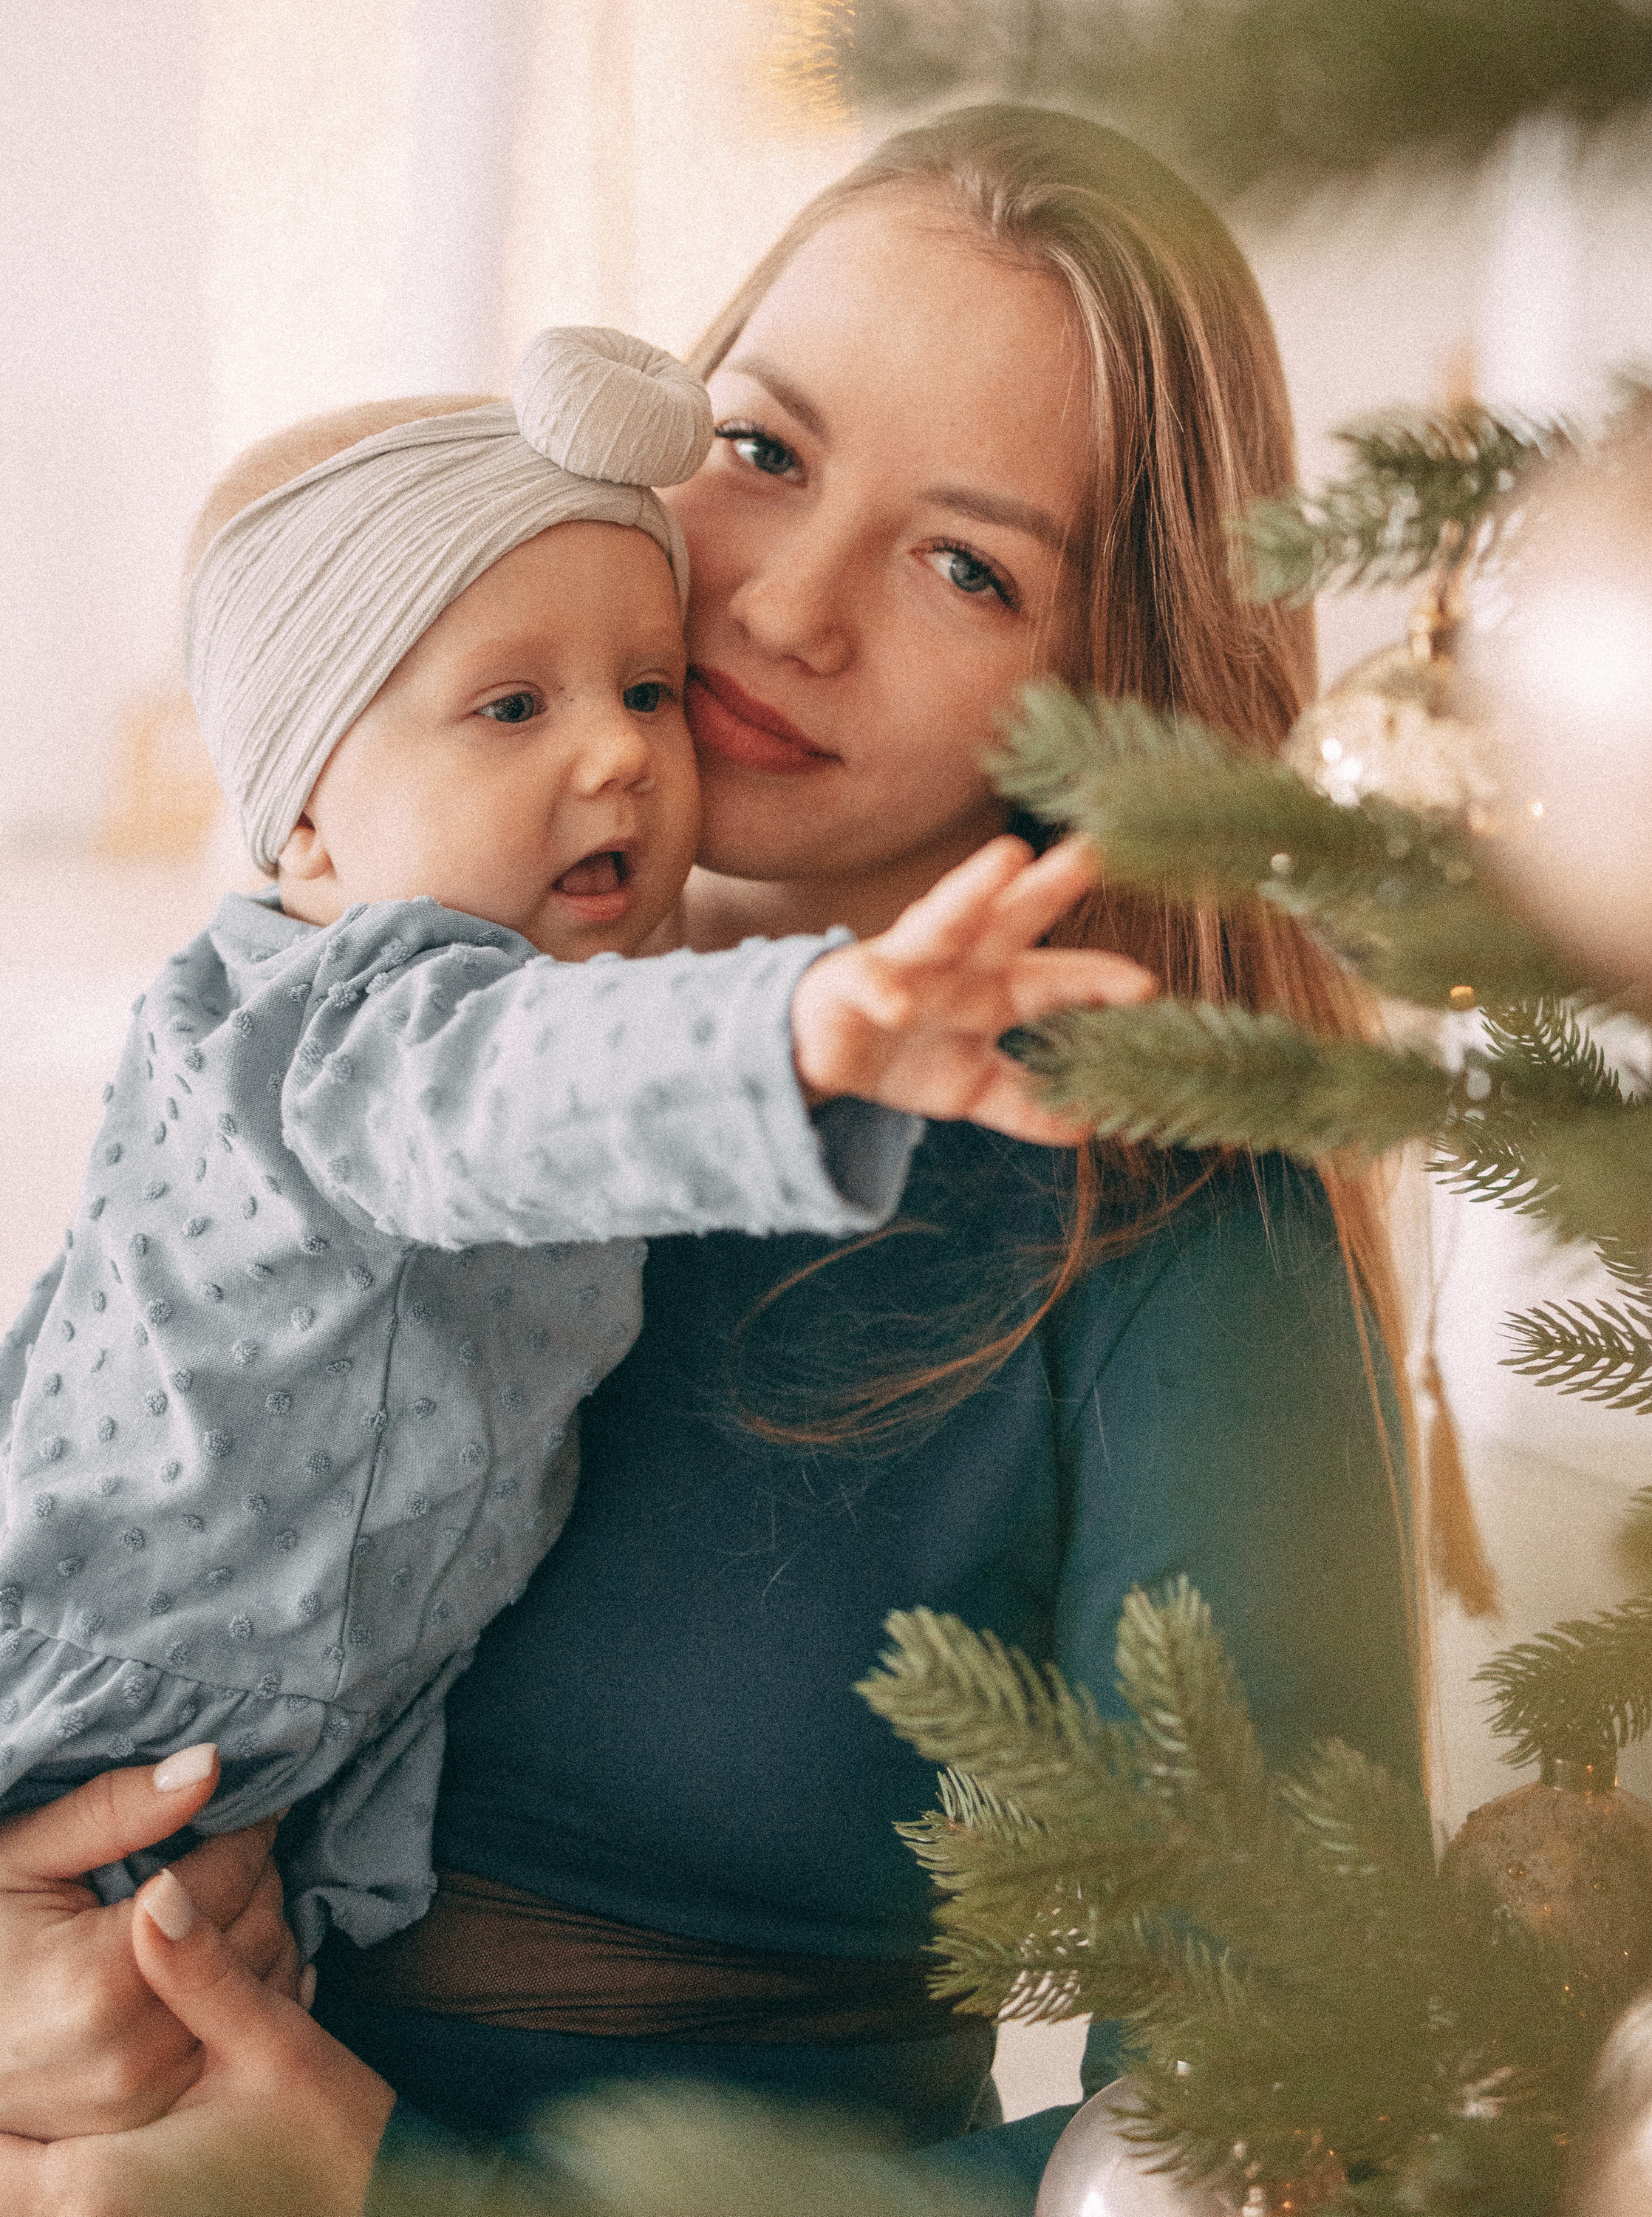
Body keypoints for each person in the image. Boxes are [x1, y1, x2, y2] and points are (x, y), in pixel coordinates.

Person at [0, 108, 1420, 2216]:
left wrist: (408, 2197)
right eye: (760, 449)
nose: (782, 602)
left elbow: (1310, 2116)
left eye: (969, 564)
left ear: (1106, 689)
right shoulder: (348, 1027)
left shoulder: (1168, 1233)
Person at [0, 323, 1147, 1981]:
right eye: (511, 706)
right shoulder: (339, 1027)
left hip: (258, 1771)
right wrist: (803, 1029)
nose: (614, 752)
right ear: (309, 819)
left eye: (644, 692)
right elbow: (504, 1095)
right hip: (99, 1699)